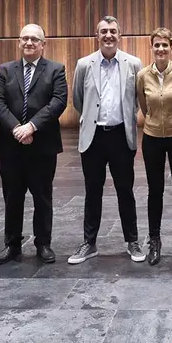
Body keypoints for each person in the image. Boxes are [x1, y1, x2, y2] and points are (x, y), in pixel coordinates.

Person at [69, 15, 146, 264]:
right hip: (93, 138)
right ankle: (89, 243)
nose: (109, 35)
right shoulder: (84, 64)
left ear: (120, 35)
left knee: (126, 191)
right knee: (93, 192)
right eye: (104, 31)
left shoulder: (134, 64)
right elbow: (79, 100)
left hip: (121, 137)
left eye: (113, 31)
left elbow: (137, 99)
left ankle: (132, 241)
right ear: (97, 35)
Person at [0, 23, 68, 265]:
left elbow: (58, 101)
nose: (29, 43)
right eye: (25, 38)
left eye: (35, 39)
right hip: (11, 146)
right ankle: (11, 244)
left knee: (42, 197)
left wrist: (31, 127)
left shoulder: (56, 69)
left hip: (42, 146)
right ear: (19, 42)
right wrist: (17, 129)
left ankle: (43, 244)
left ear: (43, 44)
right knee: (12, 196)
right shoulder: (5, 70)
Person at [136, 27, 172, 268]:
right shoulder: (142, 75)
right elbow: (143, 104)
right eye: (156, 45)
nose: (161, 49)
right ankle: (154, 240)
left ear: (171, 47)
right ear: (151, 48)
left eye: (164, 45)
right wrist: (154, 121)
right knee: (154, 191)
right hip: (151, 138)